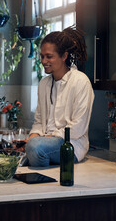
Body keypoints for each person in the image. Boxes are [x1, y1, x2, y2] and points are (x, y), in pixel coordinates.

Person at [23, 26, 95, 167]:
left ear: (64, 56)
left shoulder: (80, 81)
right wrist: (31, 138)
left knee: (36, 148)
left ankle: (43, 180)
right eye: (42, 56)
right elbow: (38, 122)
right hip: (44, 142)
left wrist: (41, 141)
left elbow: (78, 127)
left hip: (71, 144)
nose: (44, 61)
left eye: (49, 56)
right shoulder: (44, 84)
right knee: (20, 152)